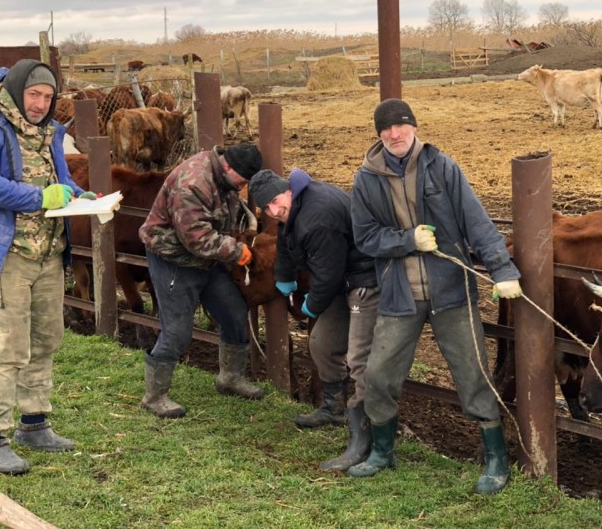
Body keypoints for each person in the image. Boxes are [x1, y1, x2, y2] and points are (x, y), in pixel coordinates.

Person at [348, 98, 522, 494]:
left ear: (414, 127)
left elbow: (475, 220)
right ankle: (382, 450)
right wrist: (407, 240)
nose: (395, 134)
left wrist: (503, 270)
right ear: (378, 133)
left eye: (402, 126)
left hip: (451, 292)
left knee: (472, 372)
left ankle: (495, 457)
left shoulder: (442, 167)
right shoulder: (365, 179)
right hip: (398, 293)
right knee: (379, 373)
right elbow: (365, 237)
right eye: (386, 128)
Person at [0, 59, 98, 475]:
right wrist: (41, 199)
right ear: (18, 91)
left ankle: (34, 423)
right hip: (3, 257)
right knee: (5, 346)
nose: (40, 103)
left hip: (47, 255)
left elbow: (59, 178)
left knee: (45, 339)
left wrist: (77, 194)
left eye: (48, 96)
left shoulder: (50, 133)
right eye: (34, 94)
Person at [249, 168, 379, 471]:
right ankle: (333, 408)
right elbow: (285, 242)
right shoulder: (294, 209)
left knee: (360, 358)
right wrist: (284, 276)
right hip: (342, 282)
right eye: (267, 207)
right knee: (321, 343)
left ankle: (366, 436)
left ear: (287, 191)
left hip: (365, 280)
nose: (274, 210)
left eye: (277, 201)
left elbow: (329, 273)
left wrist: (313, 305)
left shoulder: (317, 215)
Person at [138, 143, 265, 418]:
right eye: (242, 181)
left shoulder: (224, 178)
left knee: (233, 312)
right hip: (173, 258)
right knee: (177, 330)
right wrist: (236, 250)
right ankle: (154, 395)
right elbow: (195, 237)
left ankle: (230, 379)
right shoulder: (193, 182)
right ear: (228, 167)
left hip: (207, 259)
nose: (243, 187)